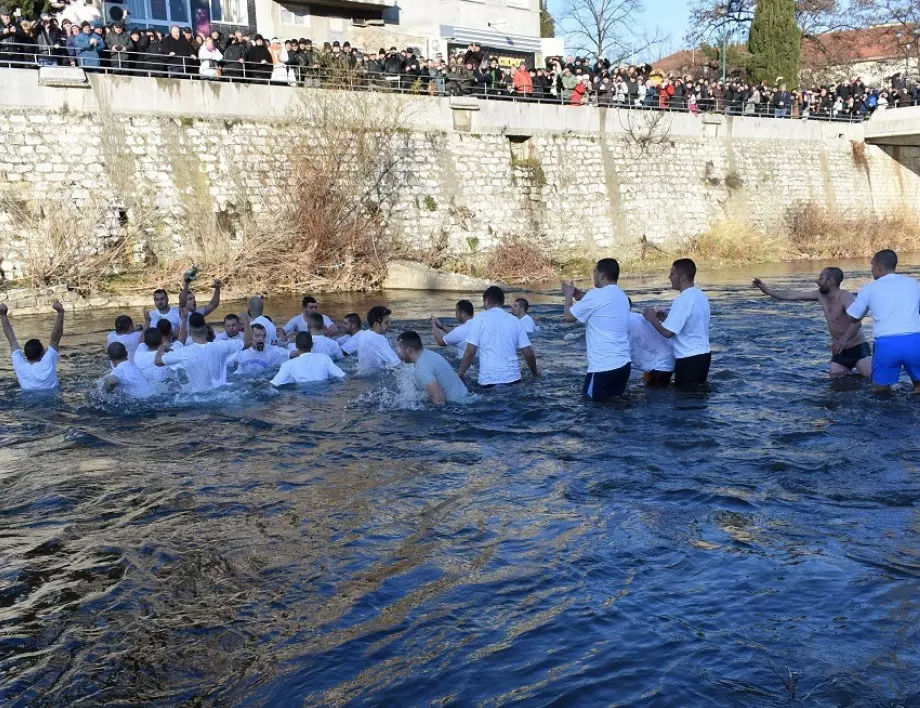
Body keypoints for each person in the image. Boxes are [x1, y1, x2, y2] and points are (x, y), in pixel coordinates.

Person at [753, 267, 872, 378]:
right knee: (837, 381)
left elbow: (857, 322)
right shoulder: (819, 295)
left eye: (821, 278)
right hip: (840, 351)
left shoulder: (844, 296)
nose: (817, 281)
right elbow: (792, 294)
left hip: (857, 348)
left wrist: (843, 340)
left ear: (830, 281)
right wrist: (766, 290)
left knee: (871, 379)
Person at [842, 249, 920, 394]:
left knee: (880, 392)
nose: (871, 269)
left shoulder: (869, 288)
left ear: (879, 267)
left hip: (887, 344)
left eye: (872, 265)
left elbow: (853, 317)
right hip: (915, 341)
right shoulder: (914, 283)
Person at [562, 258, 631, 400]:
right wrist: (580, 297)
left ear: (601, 275)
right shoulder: (622, 296)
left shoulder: (595, 295)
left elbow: (568, 317)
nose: (592, 275)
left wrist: (568, 295)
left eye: (594, 271)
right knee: (615, 407)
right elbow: (600, 306)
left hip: (603, 367)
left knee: (592, 410)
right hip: (623, 365)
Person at [643, 258, 711, 386]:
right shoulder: (700, 295)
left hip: (689, 359)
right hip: (703, 355)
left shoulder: (683, 299)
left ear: (683, 277)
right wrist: (668, 317)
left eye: (672, 274)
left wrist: (652, 319)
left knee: (685, 401)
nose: (669, 277)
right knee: (697, 398)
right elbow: (691, 322)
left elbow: (668, 333)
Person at [459, 286, 538, 386]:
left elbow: (470, 353)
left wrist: (459, 374)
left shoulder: (478, 320)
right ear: (502, 302)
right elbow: (529, 353)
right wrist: (535, 374)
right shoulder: (515, 321)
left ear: (486, 301)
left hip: (488, 381)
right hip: (514, 380)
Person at [155, 311, 251, 392]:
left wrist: (162, 347)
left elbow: (158, 361)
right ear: (206, 330)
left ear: (190, 332)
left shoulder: (183, 353)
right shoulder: (221, 346)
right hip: (224, 394)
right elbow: (248, 342)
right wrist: (246, 321)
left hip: (200, 401)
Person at [0, 301, 65, 391]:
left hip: (28, 400)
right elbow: (55, 338)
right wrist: (61, 313)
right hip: (53, 399)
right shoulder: (48, 362)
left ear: (25, 355)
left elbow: (12, 340)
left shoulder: (20, 366)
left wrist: (3, 315)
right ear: (42, 353)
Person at [396, 330, 470, 405]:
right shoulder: (430, 354)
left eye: (399, 349)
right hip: (468, 398)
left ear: (408, 349)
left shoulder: (421, 369)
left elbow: (439, 400)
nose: (398, 353)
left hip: (461, 408)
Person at [270, 332, 346, 386]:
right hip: (324, 394)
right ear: (312, 345)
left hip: (303, 397)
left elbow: (274, 384)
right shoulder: (324, 358)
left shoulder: (288, 364)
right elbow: (342, 376)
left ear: (296, 346)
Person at [628, 309, 675, 386]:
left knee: (655, 395)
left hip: (660, 365)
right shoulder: (638, 316)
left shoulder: (620, 321)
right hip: (669, 357)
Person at [354, 305, 400, 373]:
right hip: (375, 378)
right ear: (376, 324)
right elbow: (396, 364)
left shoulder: (363, 334)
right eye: (386, 322)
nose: (389, 325)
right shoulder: (378, 339)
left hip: (363, 373)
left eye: (389, 322)